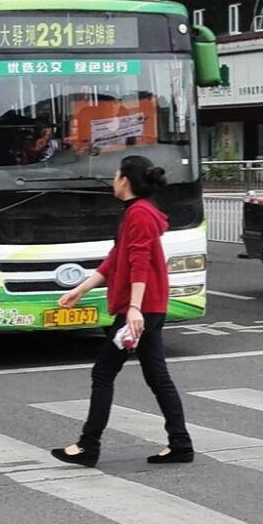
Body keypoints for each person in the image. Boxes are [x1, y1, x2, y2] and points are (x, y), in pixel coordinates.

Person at [50, 155, 195, 467]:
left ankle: (89, 446)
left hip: (141, 308)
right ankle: (180, 443)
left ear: (125, 180)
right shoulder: (135, 212)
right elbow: (116, 258)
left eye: (115, 175)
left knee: (104, 373)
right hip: (147, 307)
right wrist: (80, 289)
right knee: (157, 376)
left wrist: (133, 309)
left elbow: (138, 262)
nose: (112, 180)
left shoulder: (139, 214)